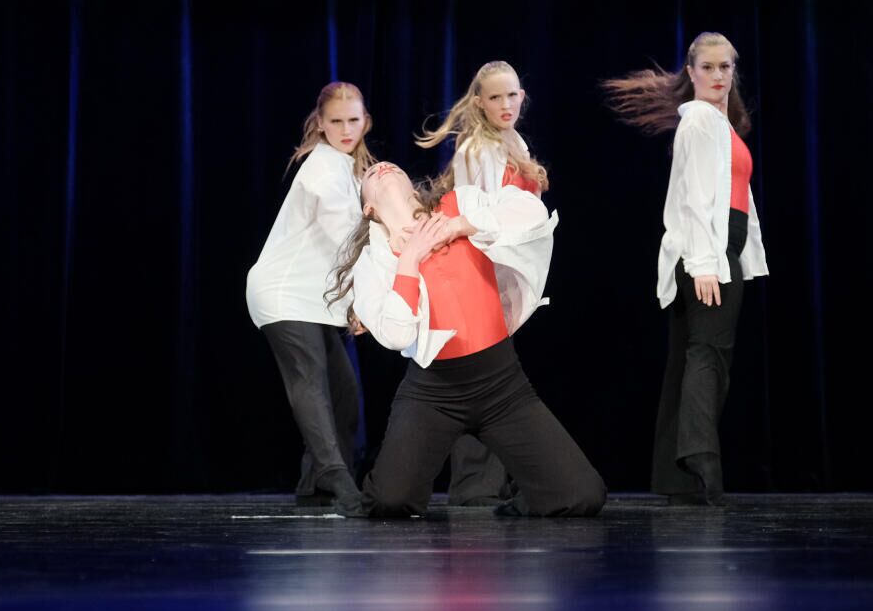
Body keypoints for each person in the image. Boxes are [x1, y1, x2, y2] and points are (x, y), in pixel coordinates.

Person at [326, 161, 605, 518]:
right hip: (433, 392)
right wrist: (409, 258)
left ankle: (528, 497)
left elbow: (532, 212)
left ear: (412, 184)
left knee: (584, 495)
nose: (380, 167)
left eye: (389, 165)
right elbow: (397, 335)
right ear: (368, 207)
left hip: (502, 384)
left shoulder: (459, 203)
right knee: (390, 501)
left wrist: (458, 225)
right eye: (370, 174)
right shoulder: (373, 261)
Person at [603, 32, 769, 506]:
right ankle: (700, 457)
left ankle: (675, 477)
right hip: (706, 252)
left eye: (725, 67)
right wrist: (703, 263)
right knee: (708, 353)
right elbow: (695, 198)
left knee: (688, 358)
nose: (718, 75)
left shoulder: (719, 123)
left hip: (715, 247)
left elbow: (735, 198)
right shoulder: (698, 120)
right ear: (691, 72)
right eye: (708, 67)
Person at [413, 61, 549, 505]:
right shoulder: (477, 148)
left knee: (497, 378)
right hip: (481, 269)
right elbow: (475, 214)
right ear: (479, 103)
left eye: (512, 95)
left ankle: (495, 482)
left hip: (506, 268)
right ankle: (475, 487)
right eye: (495, 97)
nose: (506, 104)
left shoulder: (514, 142)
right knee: (481, 373)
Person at [245, 81, 376, 510]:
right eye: (336, 121)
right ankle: (339, 482)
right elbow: (346, 241)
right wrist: (364, 299)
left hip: (315, 299)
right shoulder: (323, 168)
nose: (345, 130)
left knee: (344, 393)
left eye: (353, 120)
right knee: (311, 382)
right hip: (284, 292)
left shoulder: (345, 167)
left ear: (366, 121)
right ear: (320, 123)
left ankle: (315, 484)